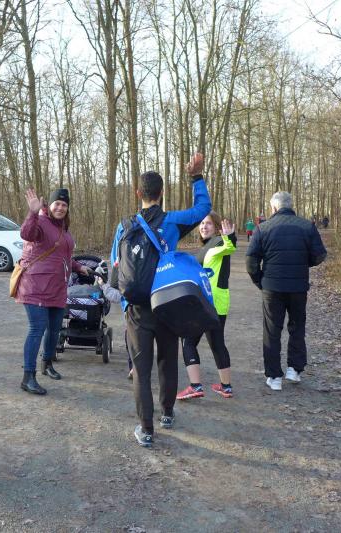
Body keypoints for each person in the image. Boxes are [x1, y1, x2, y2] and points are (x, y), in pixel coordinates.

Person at [110, 152, 211, 448]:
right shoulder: (172, 221)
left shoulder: (124, 226)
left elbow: (116, 266)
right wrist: (196, 177)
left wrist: (125, 304)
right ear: (162, 193)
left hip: (137, 310)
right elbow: (203, 209)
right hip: (167, 303)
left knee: (141, 370)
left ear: (137, 193)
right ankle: (167, 413)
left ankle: (146, 430)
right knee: (167, 360)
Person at [246, 191, 327, 391]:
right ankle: (294, 370)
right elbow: (319, 255)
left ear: (274, 207)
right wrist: (303, 264)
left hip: (272, 287)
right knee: (297, 326)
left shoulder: (263, 228)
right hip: (298, 287)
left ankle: (274, 377)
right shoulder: (307, 226)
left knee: (272, 330)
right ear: (291, 206)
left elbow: (251, 260)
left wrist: (260, 280)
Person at [16, 187, 92, 395]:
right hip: (36, 286)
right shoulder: (40, 223)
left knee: (54, 329)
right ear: (49, 205)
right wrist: (32, 213)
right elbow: (26, 233)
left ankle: (47, 363)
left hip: (57, 288)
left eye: (64, 204)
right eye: (57, 203)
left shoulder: (63, 228)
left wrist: (79, 267)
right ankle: (28, 377)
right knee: (37, 329)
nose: (60, 207)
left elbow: (63, 256)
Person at [177, 212, 236, 400]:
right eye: (202, 223)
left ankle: (195, 386)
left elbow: (229, 247)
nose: (204, 226)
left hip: (207, 303)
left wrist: (230, 236)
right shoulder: (207, 246)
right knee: (217, 343)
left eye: (208, 223)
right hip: (218, 303)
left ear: (217, 227)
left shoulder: (218, 242)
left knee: (188, 341)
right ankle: (226, 387)